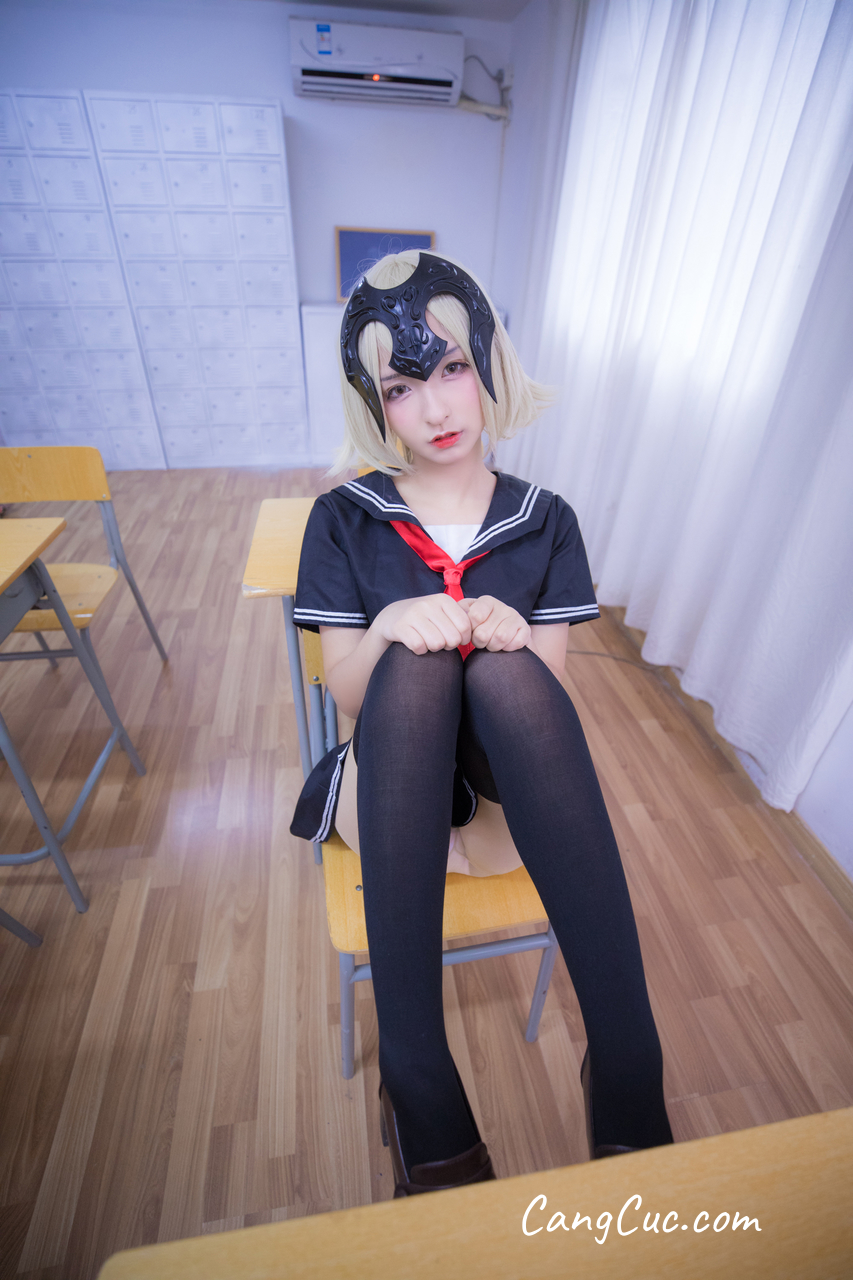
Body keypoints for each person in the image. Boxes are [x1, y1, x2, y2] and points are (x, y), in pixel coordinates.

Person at [291, 250, 673, 1197]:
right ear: (373, 404)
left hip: (503, 819)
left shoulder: (547, 521)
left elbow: (540, 707)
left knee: (503, 672)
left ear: (490, 363)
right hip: (386, 802)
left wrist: (510, 635)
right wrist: (389, 624)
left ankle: (627, 1058)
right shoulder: (343, 519)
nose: (435, 408)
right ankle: (417, 1072)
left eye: (453, 368)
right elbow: (347, 694)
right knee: (417, 666)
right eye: (401, 387)